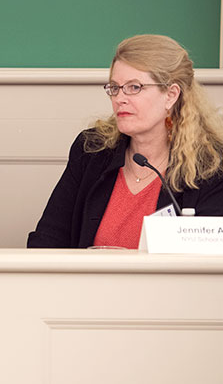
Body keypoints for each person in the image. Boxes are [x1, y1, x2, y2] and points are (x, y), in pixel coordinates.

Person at [28, 34, 223, 249]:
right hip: (88, 283)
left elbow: (207, 262)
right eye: (114, 87)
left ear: (171, 94)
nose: (120, 98)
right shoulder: (92, 149)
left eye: (134, 87)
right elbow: (48, 239)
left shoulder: (211, 166)